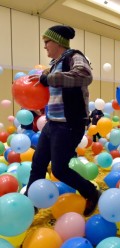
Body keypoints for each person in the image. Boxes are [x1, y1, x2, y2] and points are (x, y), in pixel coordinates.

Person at [25, 25, 100, 216]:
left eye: (46, 42)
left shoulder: (74, 56)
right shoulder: (54, 63)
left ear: (57, 41)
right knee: (38, 162)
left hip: (69, 124)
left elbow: (84, 75)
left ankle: (91, 192)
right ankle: (30, 203)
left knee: (59, 168)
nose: (45, 47)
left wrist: (49, 78)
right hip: (52, 123)